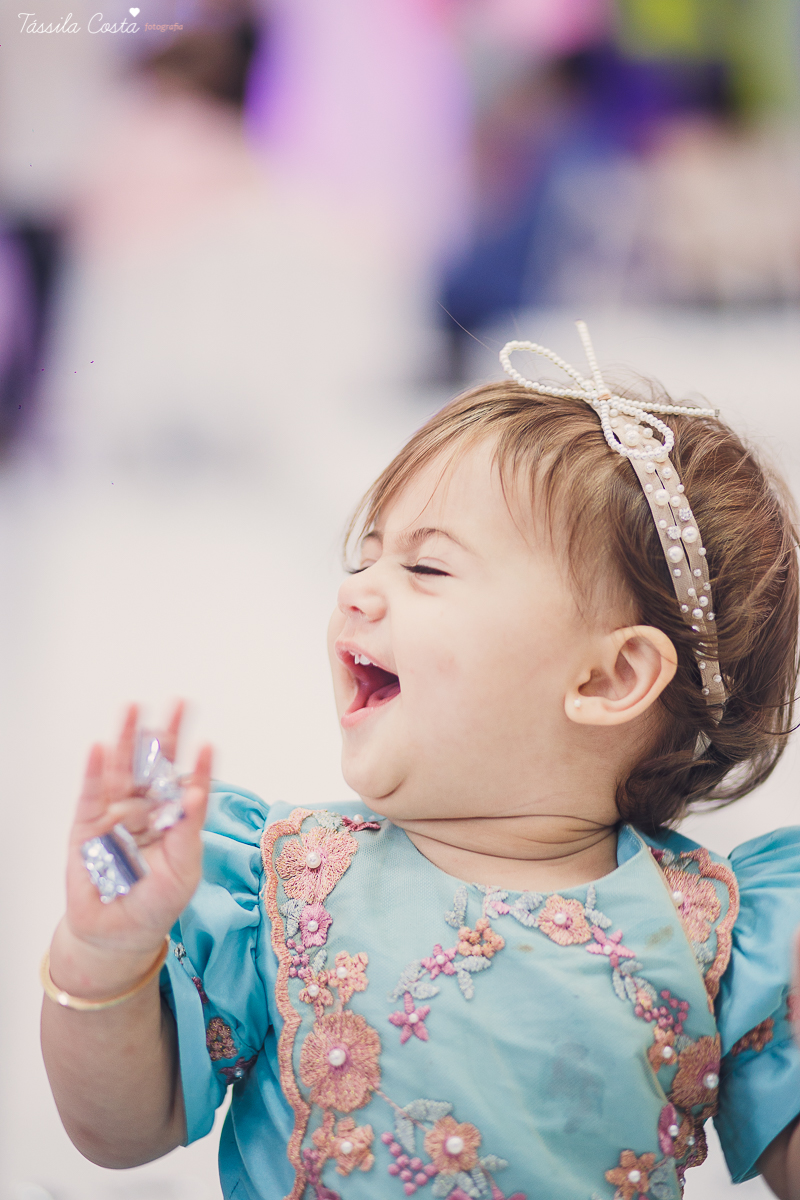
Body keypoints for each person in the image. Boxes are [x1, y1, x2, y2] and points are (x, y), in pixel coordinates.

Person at [41, 327, 800, 1200]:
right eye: (365, 556)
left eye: (427, 566)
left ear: (608, 677)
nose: (355, 590)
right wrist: (107, 955)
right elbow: (122, 1132)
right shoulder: (283, 888)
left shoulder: (721, 938)